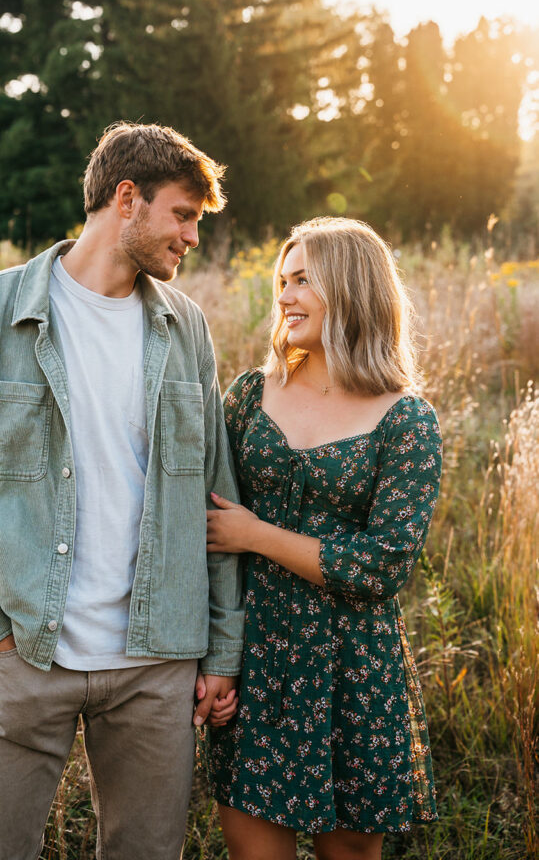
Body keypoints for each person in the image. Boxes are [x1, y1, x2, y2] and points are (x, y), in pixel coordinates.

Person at [0, 121, 243, 860]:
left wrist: (220, 650)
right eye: (183, 215)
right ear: (126, 197)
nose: (191, 237)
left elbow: (213, 499)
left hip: (156, 665)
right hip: (22, 650)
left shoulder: (183, 327)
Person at [205, 217, 442, 860]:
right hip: (258, 662)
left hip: (353, 673)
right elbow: (205, 531)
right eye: (283, 280)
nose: (284, 295)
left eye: (304, 279)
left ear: (353, 287)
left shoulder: (406, 420)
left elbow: (382, 566)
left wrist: (256, 535)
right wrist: (215, 660)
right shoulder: (251, 396)